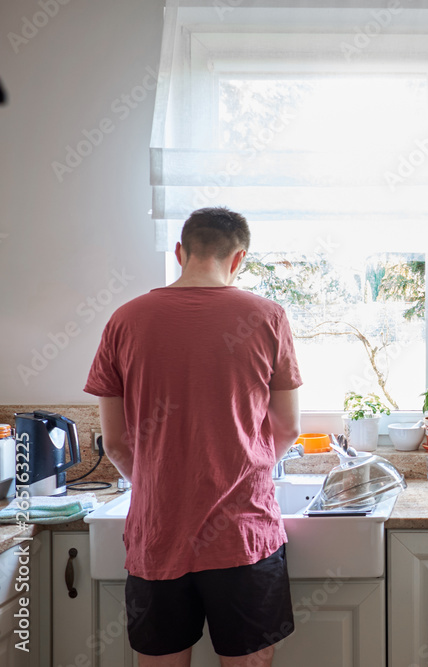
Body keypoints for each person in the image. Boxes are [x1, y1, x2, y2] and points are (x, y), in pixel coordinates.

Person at [84, 207, 302, 667]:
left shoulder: (125, 319)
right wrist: (251, 469)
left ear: (181, 251)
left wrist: (152, 483)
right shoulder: (267, 316)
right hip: (243, 534)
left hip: (158, 534)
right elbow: (287, 428)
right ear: (238, 259)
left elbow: (116, 443)